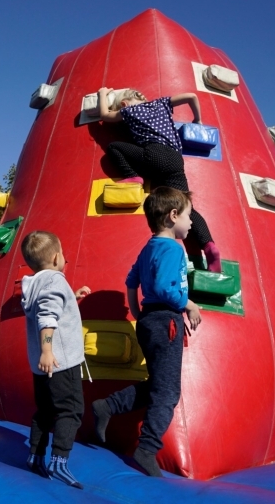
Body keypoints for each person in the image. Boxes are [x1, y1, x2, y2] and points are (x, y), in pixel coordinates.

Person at [91, 186, 202, 477]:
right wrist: (189, 304)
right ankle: (147, 448)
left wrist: (138, 312)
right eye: (189, 217)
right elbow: (167, 289)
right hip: (165, 321)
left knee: (157, 385)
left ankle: (107, 406)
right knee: (167, 393)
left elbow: (131, 281)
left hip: (149, 321)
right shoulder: (172, 248)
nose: (191, 223)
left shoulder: (148, 248)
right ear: (173, 215)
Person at [97, 87, 221, 272]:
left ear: (124, 103)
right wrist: (198, 119)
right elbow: (191, 96)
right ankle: (209, 245)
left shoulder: (128, 110)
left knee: (115, 147)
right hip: (175, 160)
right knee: (186, 206)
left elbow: (105, 114)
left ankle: (132, 176)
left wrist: (102, 94)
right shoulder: (161, 103)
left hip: (153, 154)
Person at [20, 230, 91, 489]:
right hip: (60, 362)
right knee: (70, 411)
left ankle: (35, 455)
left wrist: (73, 297)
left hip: (42, 365)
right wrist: (48, 351)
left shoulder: (36, 283)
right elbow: (48, 317)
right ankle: (59, 462)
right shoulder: (56, 281)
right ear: (56, 257)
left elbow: (51, 308)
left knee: (45, 411)